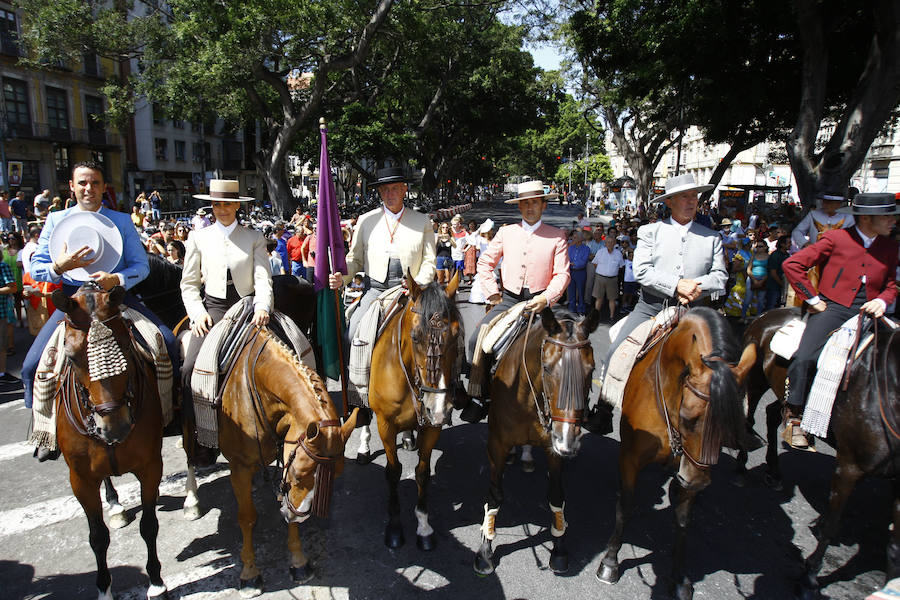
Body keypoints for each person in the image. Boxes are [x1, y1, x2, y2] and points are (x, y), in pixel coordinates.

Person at [25, 161, 178, 460]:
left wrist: (116, 279)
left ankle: (169, 409)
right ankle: (46, 431)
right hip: (73, 302)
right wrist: (60, 267)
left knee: (168, 343)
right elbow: (36, 268)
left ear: (103, 186)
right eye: (82, 183)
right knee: (32, 366)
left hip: (115, 300)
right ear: (71, 186)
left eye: (94, 183)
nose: (88, 189)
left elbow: (141, 266)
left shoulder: (120, 220)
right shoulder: (55, 221)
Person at [781, 193, 899, 449]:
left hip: (873, 311)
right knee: (805, 358)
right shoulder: (835, 238)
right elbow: (793, 265)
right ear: (867, 218)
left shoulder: (890, 247)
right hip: (833, 307)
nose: (893, 221)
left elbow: (892, 284)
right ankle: (794, 415)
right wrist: (812, 300)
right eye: (888, 216)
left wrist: (883, 301)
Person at [460, 180, 569, 422]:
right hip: (510, 299)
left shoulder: (557, 236)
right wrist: (492, 292)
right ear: (519, 207)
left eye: (535, 203)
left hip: (544, 301)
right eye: (525, 203)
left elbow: (562, 274)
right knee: (478, 339)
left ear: (543, 206)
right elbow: (484, 263)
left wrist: (546, 298)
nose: (530, 208)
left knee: (574, 346)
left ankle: (570, 405)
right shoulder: (506, 232)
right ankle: (479, 395)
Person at [603, 173, 728, 377]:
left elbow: (720, 276)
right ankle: (605, 407)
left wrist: (694, 287)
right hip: (650, 308)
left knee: (725, 365)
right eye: (684, 196)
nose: (691, 201)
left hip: (696, 309)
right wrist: (677, 285)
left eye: (694, 196)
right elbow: (642, 270)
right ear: (669, 202)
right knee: (616, 353)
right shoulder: (649, 231)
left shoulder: (711, 237)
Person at [180, 180, 272, 418]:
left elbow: (262, 276)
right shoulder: (198, 238)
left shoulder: (254, 237)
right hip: (214, 308)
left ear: (236, 206)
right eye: (216, 204)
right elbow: (189, 284)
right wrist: (198, 314)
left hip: (249, 306)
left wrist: (262, 305)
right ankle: (193, 427)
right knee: (190, 367)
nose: (222, 209)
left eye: (227, 204)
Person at [328, 166, 436, 345]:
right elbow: (355, 259)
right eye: (385, 190)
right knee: (351, 335)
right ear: (380, 192)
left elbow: (429, 261)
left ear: (404, 190)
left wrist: (417, 285)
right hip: (375, 291)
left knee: (439, 334)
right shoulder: (365, 220)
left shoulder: (422, 220)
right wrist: (342, 277)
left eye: (394, 188)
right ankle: (352, 373)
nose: (390, 193)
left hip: (412, 291)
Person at [592, 233, 624, 320]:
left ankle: (612, 316)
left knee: (612, 298)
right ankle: (596, 315)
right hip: (600, 278)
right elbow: (595, 263)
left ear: (614, 243)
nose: (609, 244)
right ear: (605, 243)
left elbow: (621, 266)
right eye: (608, 242)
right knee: (599, 298)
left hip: (612, 279)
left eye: (611, 242)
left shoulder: (618, 254)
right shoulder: (600, 252)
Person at [567, 230, 591, 314]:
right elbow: (567, 259)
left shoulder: (586, 248)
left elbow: (583, 262)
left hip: (580, 272)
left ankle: (581, 309)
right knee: (571, 291)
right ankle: (572, 309)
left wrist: (574, 263)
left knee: (581, 291)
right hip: (571, 272)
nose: (573, 239)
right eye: (573, 237)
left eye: (575, 237)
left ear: (581, 238)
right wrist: (572, 264)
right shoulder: (570, 248)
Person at [765, 235, 790, 311]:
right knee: (771, 308)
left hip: (782, 287)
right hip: (774, 286)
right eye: (789, 243)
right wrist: (782, 284)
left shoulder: (787, 255)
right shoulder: (775, 255)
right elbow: (773, 273)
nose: (790, 244)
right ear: (782, 244)